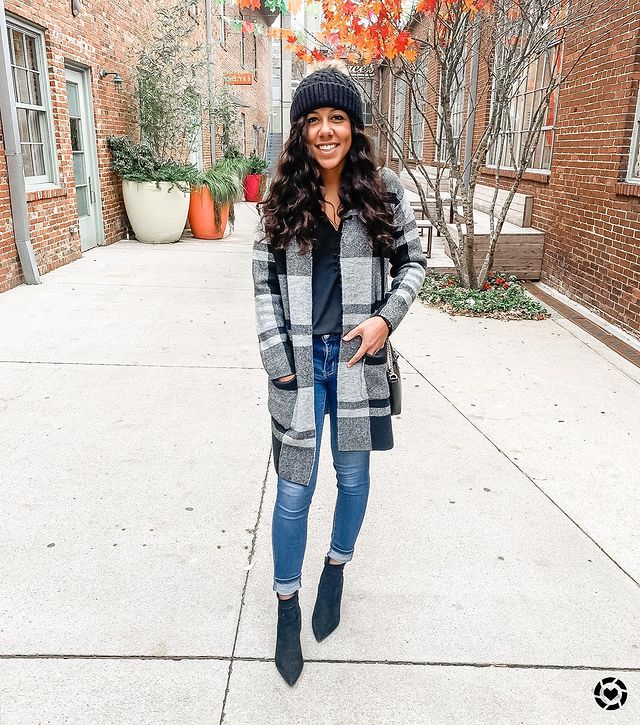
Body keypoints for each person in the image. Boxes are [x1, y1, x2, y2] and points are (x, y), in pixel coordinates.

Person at [252, 61, 427, 686]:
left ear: (354, 127)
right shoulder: (280, 201)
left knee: (353, 483)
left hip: (357, 366)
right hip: (300, 372)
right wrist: (279, 365)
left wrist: (386, 319)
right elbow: (264, 287)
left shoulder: (383, 193)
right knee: (294, 493)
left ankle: (336, 567)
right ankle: (285, 607)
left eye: (338, 119)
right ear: (301, 131)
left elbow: (413, 266)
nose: (327, 131)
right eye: (315, 121)